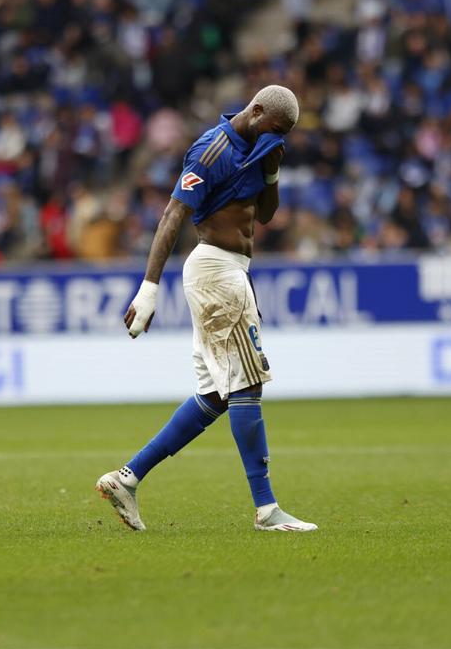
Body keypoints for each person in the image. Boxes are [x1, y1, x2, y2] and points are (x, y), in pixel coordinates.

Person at [96, 85, 317, 533]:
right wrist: (149, 289)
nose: (276, 139)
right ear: (255, 111)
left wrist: (273, 173)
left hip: (233, 270)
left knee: (217, 395)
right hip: (214, 269)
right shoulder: (210, 150)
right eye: (274, 130)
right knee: (248, 383)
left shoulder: (261, 144)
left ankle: (127, 478)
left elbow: (266, 215)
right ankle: (267, 510)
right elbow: (173, 214)